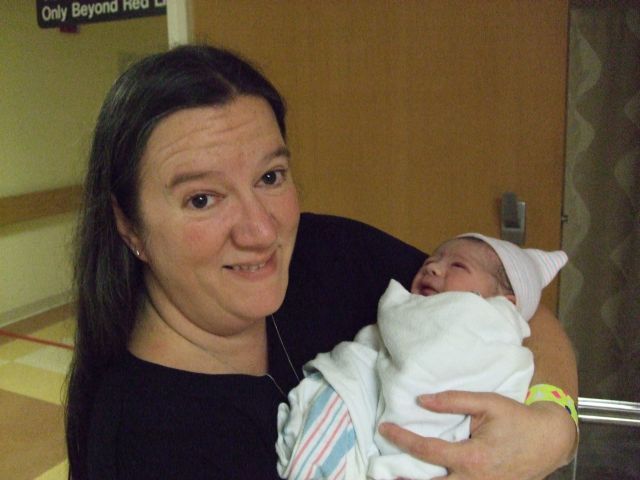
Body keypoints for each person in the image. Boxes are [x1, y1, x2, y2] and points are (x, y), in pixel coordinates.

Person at [65, 44, 578, 480]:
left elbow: (520, 307)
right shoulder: (148, 444)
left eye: (270, 177)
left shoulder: (330, 252)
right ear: (129, 225)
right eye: (202, 199)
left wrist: (552, 424)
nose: (260, 231)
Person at [276, 234, 570, 479]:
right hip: (372, 424)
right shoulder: (411, 307)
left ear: (504, 304)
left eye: (457, 265)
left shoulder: (488, 325)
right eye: (430, 262)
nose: (432, 269)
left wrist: (556, 428)